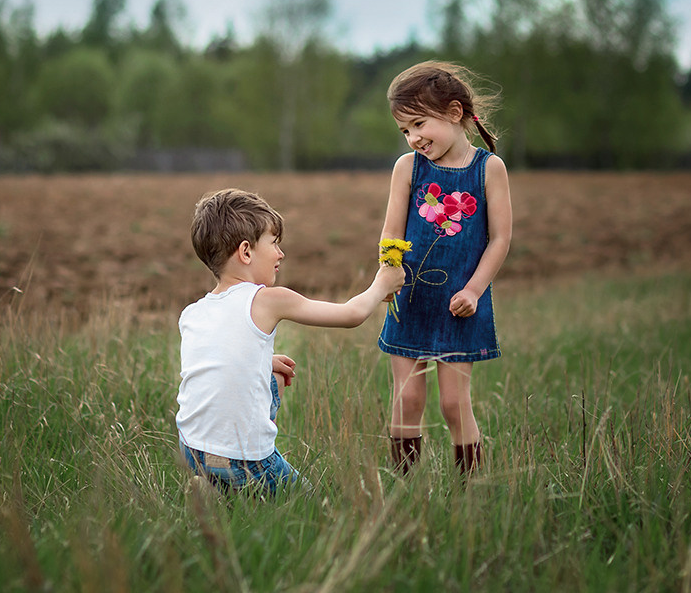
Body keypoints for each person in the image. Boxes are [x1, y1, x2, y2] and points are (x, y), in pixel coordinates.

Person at [177, 188, 405, 495]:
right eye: (273, 244)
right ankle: (230, 485)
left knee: (274, 376)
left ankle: (213, 488)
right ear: (246, 252)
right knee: (310, 503)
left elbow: (214, 363)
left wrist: (262, 360)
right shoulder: (269, 300)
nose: (280, 254)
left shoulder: (193, 313)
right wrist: (382, 284)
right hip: (243, 458)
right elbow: (351, 314)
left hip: (191, 449)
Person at [377, 61, 513, 476]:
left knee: (454, 404)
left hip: (461, 305)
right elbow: (390, 236)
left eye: (419, 124)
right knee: (407, 399)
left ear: (454, 113)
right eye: (405, 131)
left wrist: (473, 290)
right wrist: (387, 274)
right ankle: (404, 488)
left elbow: (499, 239)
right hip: (411, 300)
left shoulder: (488, 169)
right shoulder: (408, 168)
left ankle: (468, 491)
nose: (414, 138)